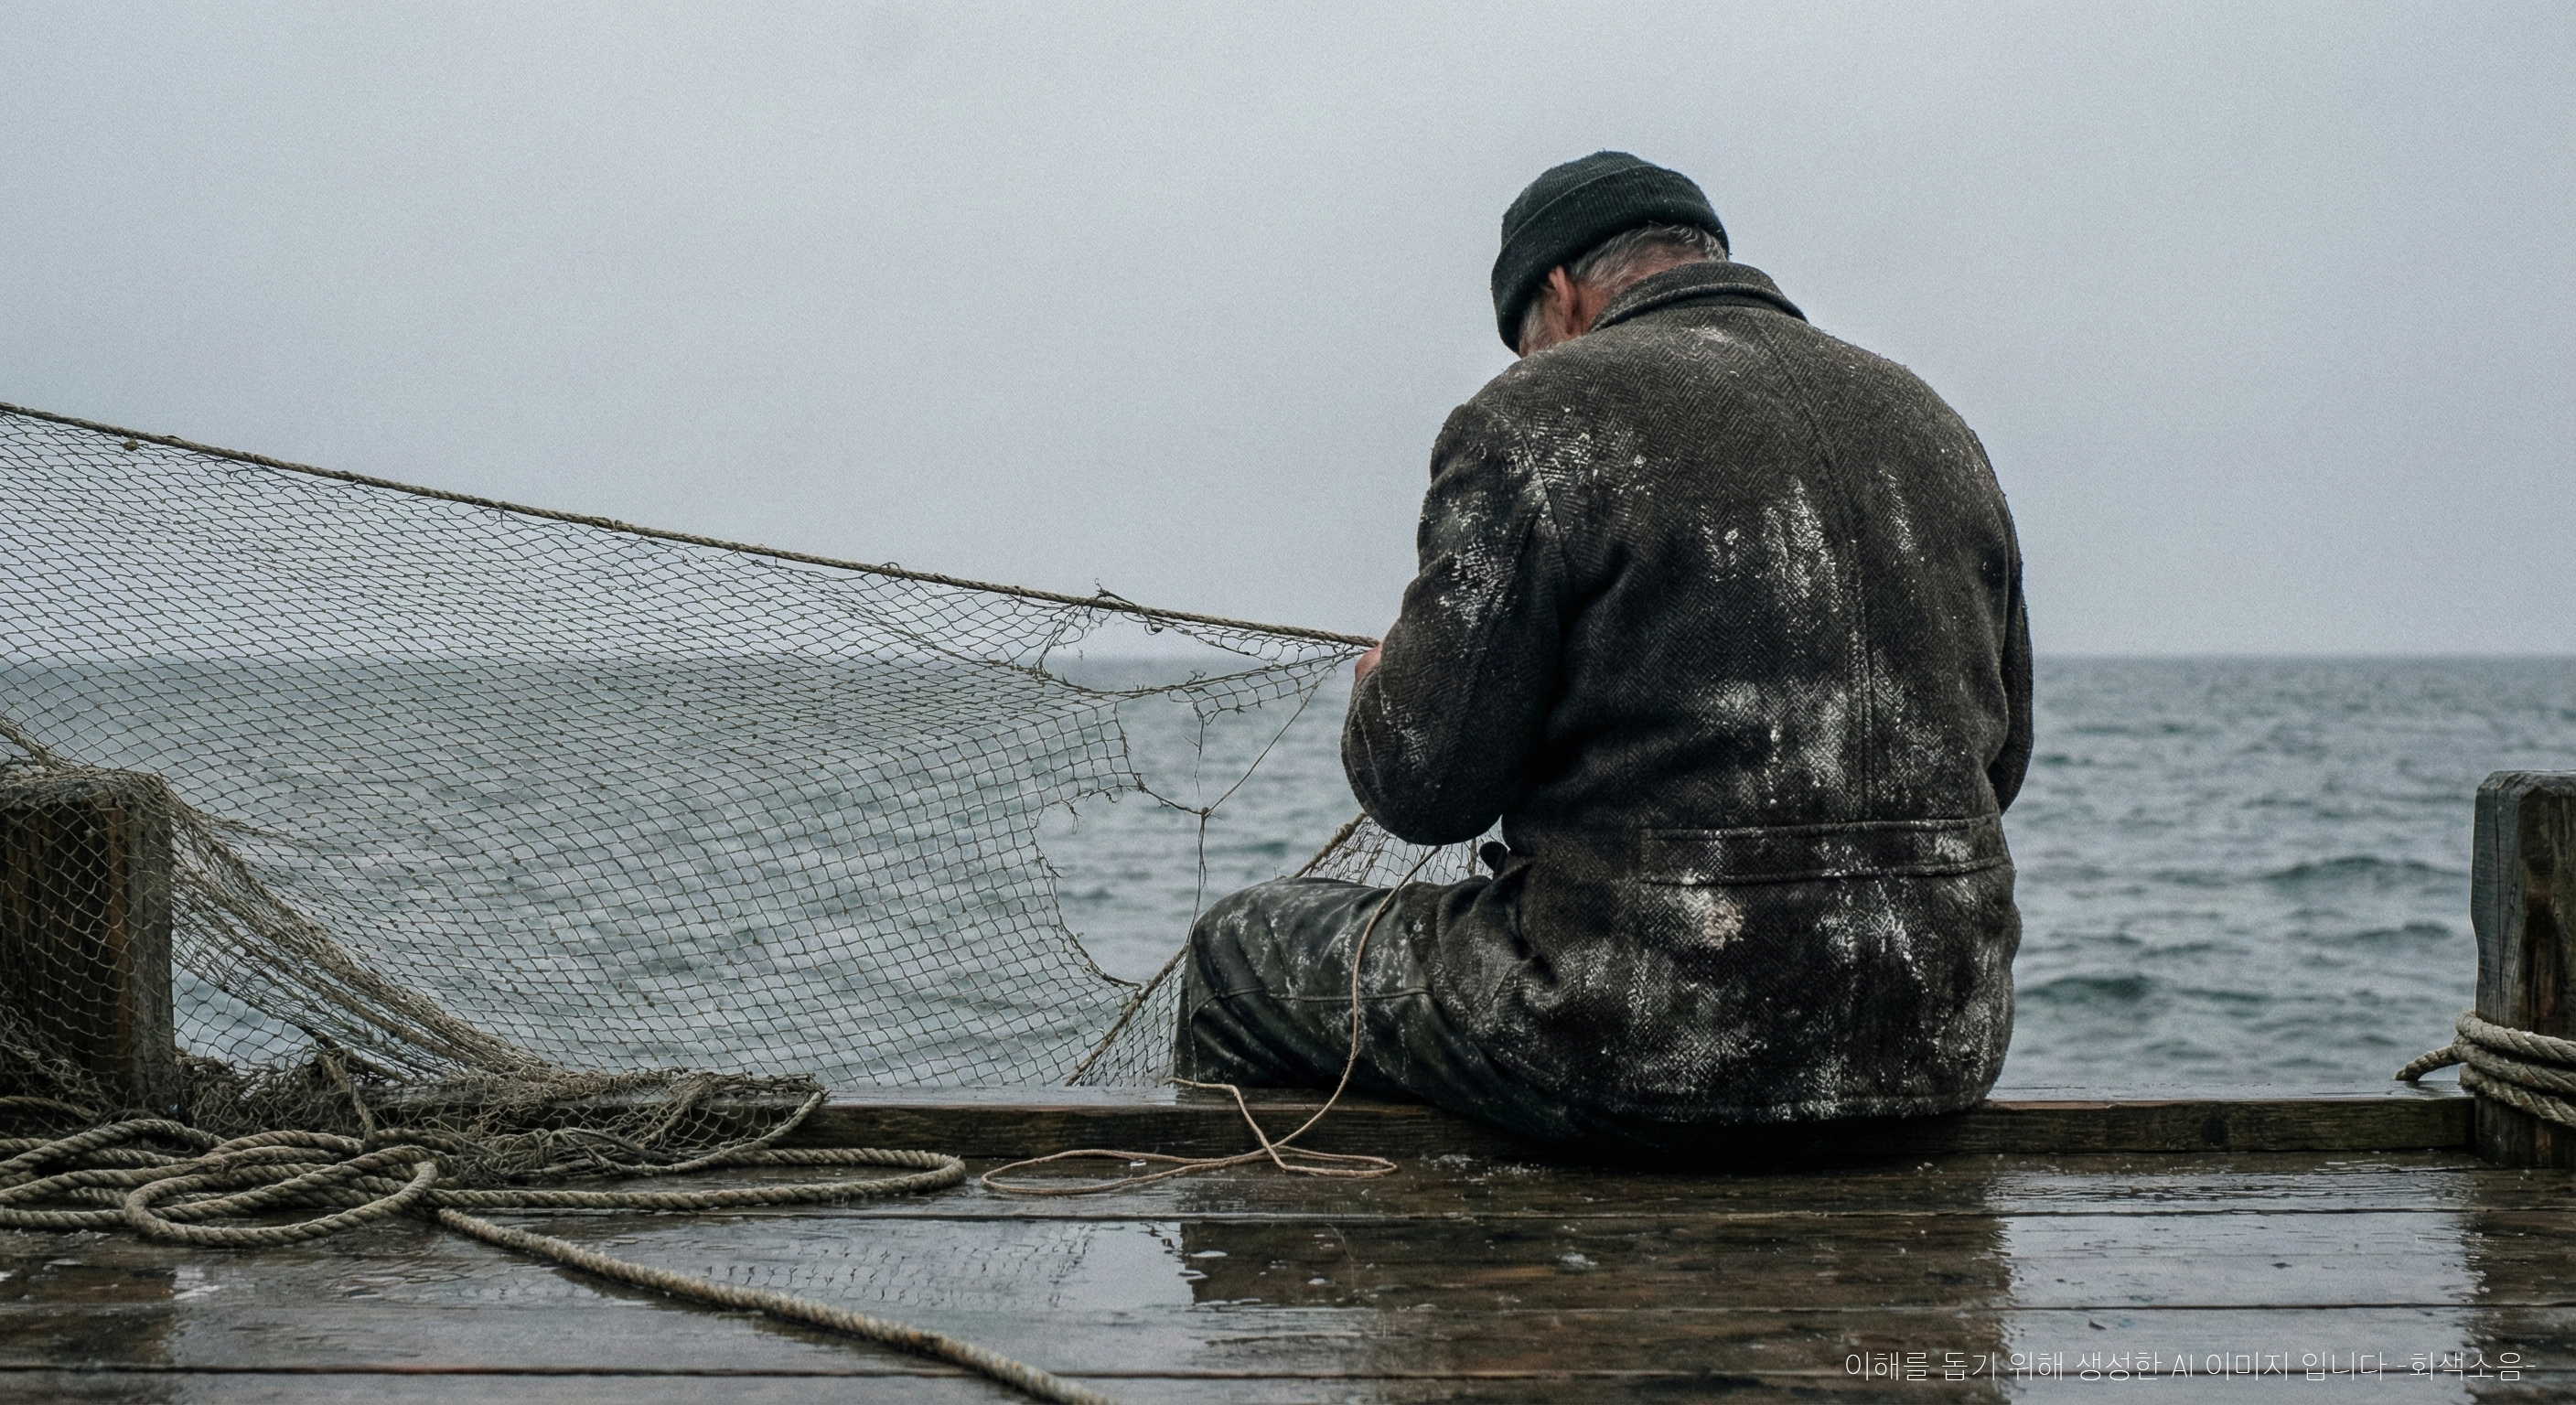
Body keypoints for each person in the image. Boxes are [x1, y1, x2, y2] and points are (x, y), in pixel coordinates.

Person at [1174, 150, 2032, 1149]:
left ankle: (1301, 1279)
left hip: (1640, 1037)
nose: (1526, 363)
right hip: (1934, 1037)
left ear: (1561, 290)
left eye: (1524, 339)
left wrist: (1381, 691)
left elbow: (1424, 790)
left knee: (1235, 954)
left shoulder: (1532, 419)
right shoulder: (1931, 424)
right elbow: (1995, 764)